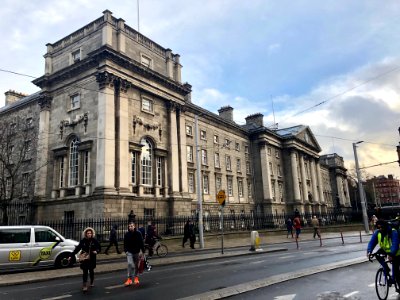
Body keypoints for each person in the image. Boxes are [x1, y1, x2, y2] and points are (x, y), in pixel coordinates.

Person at [367, 219, 400, 292]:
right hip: (385, 250)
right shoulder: (377, 232)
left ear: (385, 226)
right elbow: (372, 242)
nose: (380, 229)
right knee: (377, 255)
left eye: (381, 227)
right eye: (378, 228)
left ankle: (398, 285)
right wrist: (369, 251)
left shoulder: (393, 231)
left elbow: (395, 244)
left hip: (396, 252)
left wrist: (391, 254)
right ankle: (386, 268)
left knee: (397, 272)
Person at [69, 227, 101, 292]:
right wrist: (71, 255)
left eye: (90, 233)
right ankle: (85, 285)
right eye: (88, 233)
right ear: (85, 234)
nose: (89, 234)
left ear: (92, 234)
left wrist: (96, 251)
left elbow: (99, 248)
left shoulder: (94, 240)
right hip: (84, 258)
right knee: (85, 272)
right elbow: (77, 248)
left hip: (92, 258)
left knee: (91, 271)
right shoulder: (83, 241)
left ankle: (92, 281)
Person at [124, 222, 145, 286]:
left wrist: (143, 252)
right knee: (130, 264)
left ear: (134, 226)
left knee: (136, 266)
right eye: (129, 226)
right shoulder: (127, 234)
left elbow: (141, 243)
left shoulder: (138, 234)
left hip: (137, 252)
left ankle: (136, 277)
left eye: (132, 226)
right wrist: (126, 251)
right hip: (129, 252)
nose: (130, 227)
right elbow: (125, 244)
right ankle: (129, 279)